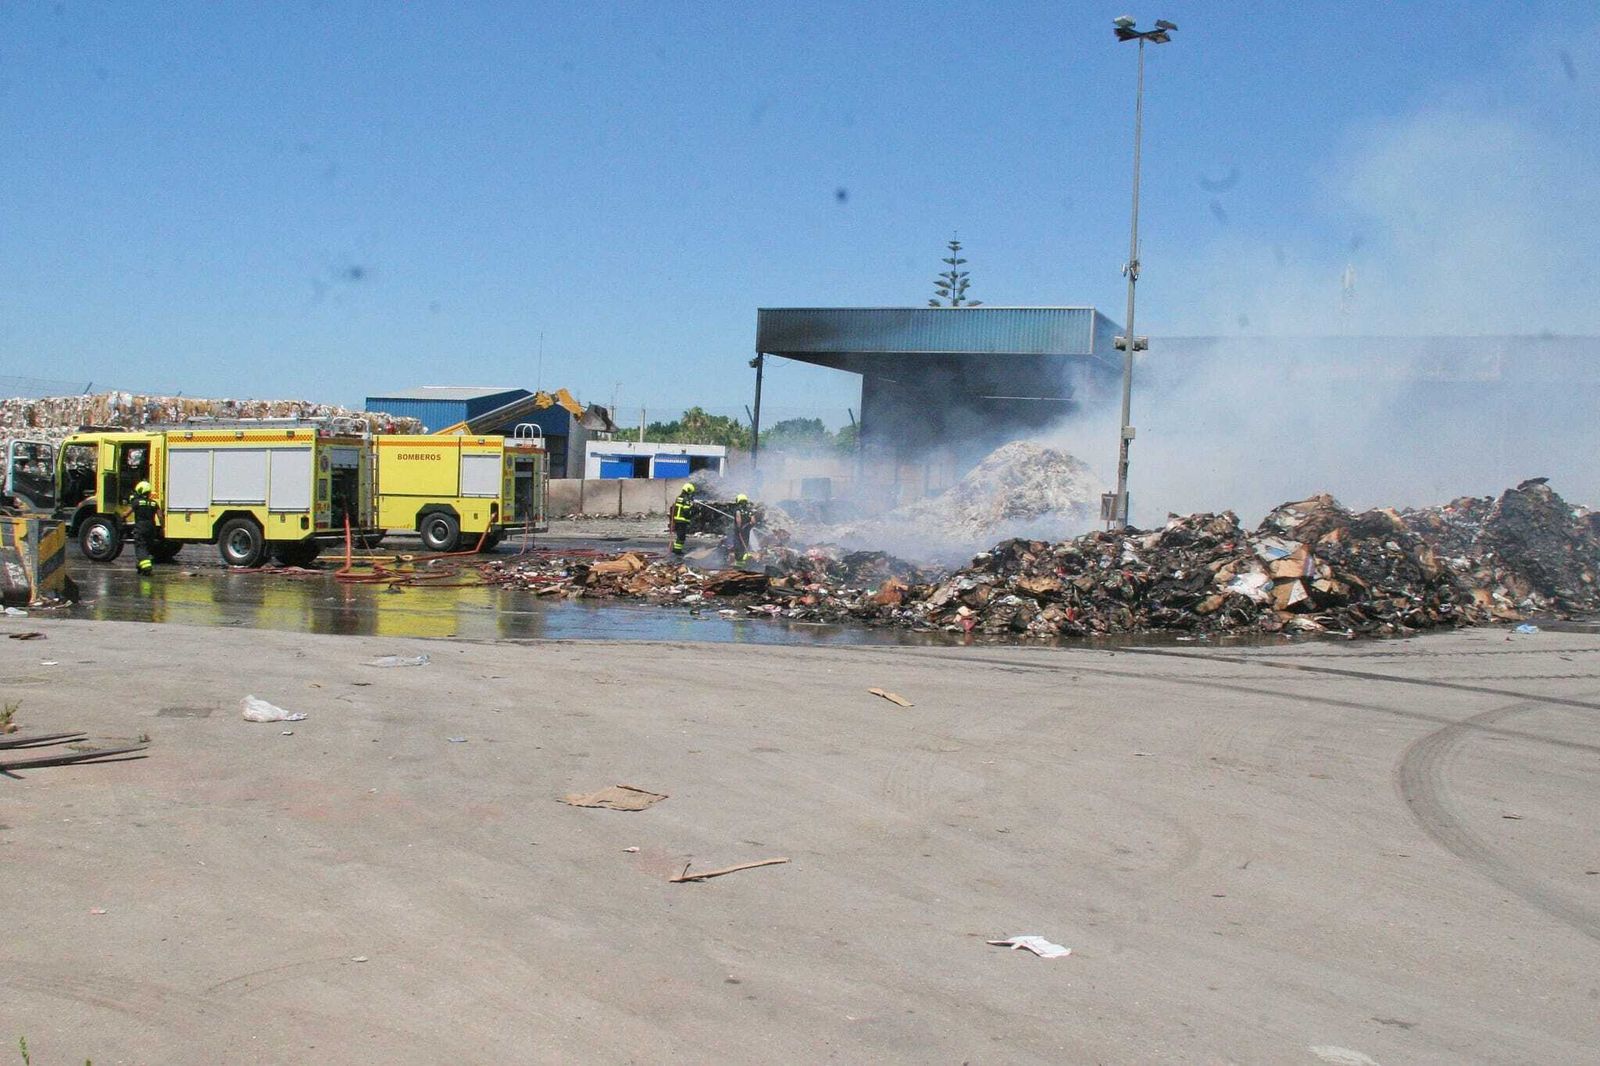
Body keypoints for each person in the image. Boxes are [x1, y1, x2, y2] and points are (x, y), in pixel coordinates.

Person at [128, 480, 162, 575]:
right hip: (151, 529)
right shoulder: (154, 503)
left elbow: (126, 514)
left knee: (141, 547)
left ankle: (147, 568)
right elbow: (160, 516)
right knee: (147, 547)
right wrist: (163, 528)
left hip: (140, 528)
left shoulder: (136, 503)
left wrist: (119, 517)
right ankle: (140, 565)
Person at [669, 482, 696, 557]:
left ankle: (676, 549)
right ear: (688, 490)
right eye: (691, 492)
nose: (691, 493)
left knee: (679, 535)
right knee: (681, 536)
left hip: (677, 520)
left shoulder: (679, 497)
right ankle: (677, 551)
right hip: (682, 520)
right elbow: (686, 511)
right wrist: (693, 510)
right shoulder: (686, 499)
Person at [731, 492, 757, 564]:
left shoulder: (738, 510)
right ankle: (744, 562)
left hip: (739, 531)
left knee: (738, 546)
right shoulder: (749, 511)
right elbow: (753, 521)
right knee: (745, 544)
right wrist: (748, 527)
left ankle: (739, 563)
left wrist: (739, 528)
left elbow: (738, 518)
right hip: (746, 531)